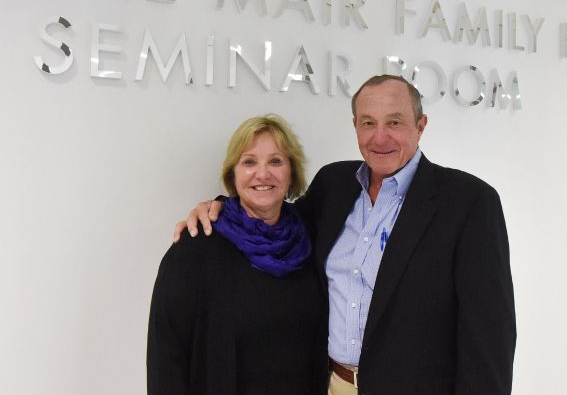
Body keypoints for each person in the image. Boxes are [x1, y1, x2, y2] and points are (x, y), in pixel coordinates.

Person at [176, 75, 516, 394]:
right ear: (356, 126)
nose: (379, 137)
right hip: (330, 385)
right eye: (368, 123)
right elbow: (276, 222)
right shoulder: (333, 186)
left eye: (394, 122)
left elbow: (489, 338)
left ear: (421, 125)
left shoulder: (469, 202)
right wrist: (221, 209)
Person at [148, 115, 327, 395]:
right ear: (233, 173)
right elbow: (166, 357)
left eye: (276, 161)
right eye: (249, 162)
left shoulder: (311, 239)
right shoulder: (196, 245)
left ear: (292, 172)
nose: (263, 173)